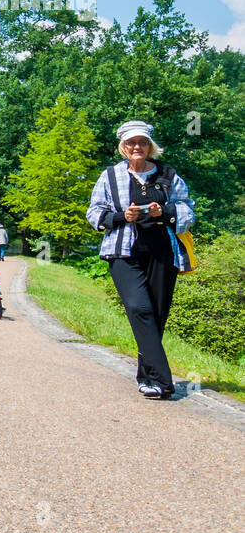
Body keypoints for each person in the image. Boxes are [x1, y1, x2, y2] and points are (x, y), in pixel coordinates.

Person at [87, 121, 194, 400]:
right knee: (139, 308)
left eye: (143, 143)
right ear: (123, 147)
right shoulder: (110, 176)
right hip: (123, 253)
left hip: (163, 254)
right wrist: (124, 216)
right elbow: (94, 214)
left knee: (157, 315)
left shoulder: (169, 176)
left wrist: (165, 211)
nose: (137, 147)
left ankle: (147, 378)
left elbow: (188, 211)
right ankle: (163, 379)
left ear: (150, 147)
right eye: (132, 143)